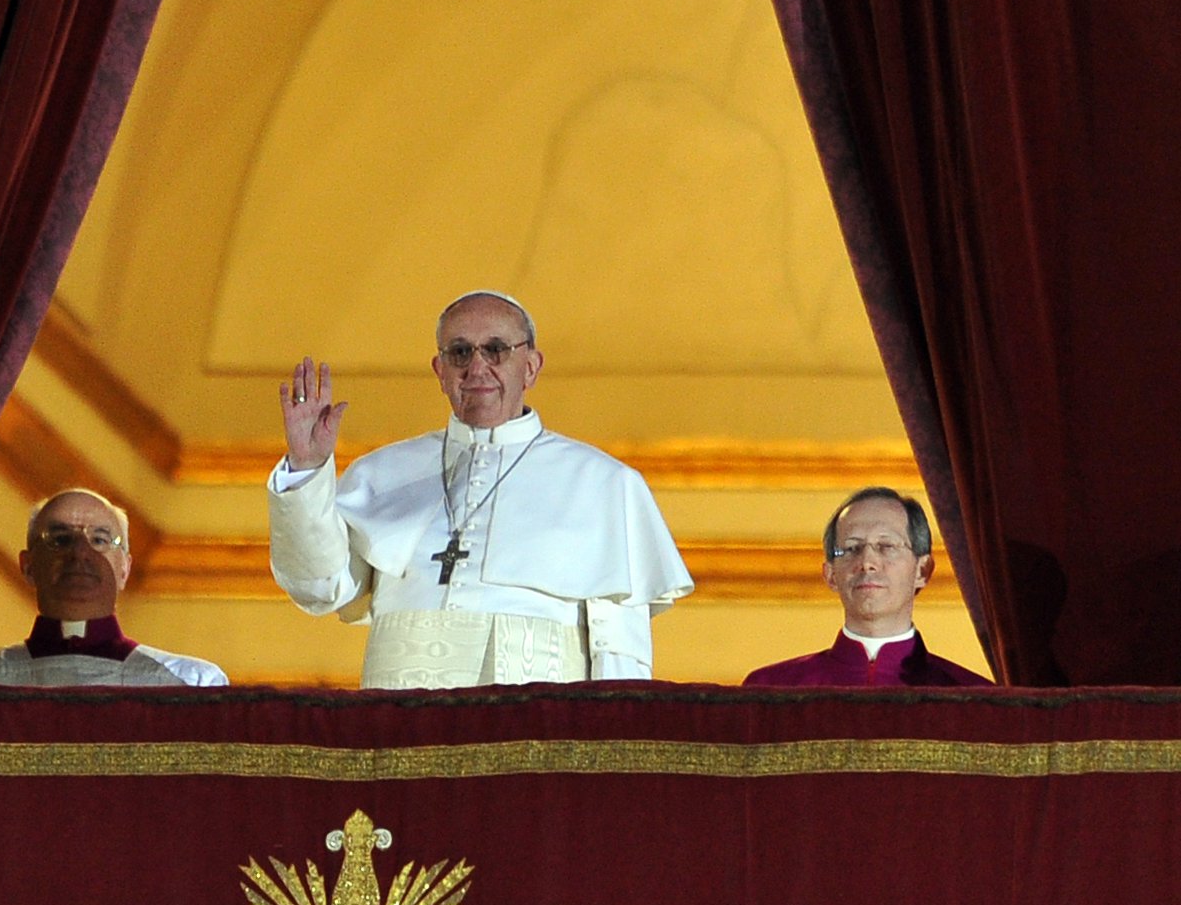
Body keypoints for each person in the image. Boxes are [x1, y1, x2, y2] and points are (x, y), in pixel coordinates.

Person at [268, 289, 693, 689]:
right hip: (399, 730)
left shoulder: (604, 484)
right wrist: (308, 469)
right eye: (459, 352)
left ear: (530, 366)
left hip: (535, 733)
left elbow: (619, 648)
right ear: (440, 370)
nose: (476, 367)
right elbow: (318, 588)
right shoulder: (381, 473)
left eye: (495, 350)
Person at [0, 488, 228, 687]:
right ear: (28, 566)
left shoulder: (194, 685)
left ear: (124, 568)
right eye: (60, 539)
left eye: (100, 539)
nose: (80, 553)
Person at [743, 486, 991, 687]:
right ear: (830, 575)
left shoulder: (969, 698)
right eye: (851, 548)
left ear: (922, 571)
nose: (867, 563)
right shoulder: (771, 692)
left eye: (886, 547)